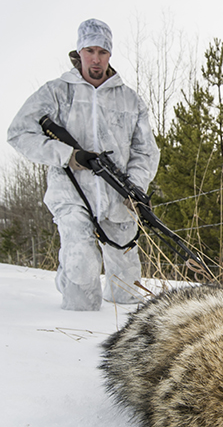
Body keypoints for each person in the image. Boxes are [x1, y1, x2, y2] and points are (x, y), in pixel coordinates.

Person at [7, 19, 160, 311]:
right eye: (90, 50)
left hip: (118, 198)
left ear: (110, 55)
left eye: (103, 52)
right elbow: (19, 133)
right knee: (82, 267)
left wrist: (135, 186)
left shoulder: (130, 100)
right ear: (79, 52)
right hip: (72, 195)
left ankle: (121, 334)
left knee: (127, 288)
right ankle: (76, 331)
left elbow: (146, 151)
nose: (96, 58)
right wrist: (68, 156)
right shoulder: (56, 92)